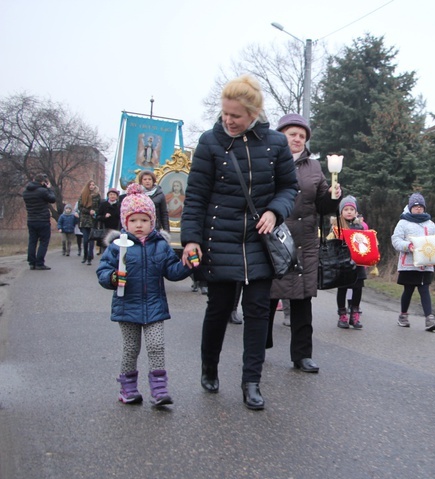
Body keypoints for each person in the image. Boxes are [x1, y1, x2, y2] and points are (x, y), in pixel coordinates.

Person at [180, 75, 298, 410]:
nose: (228, 120)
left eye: (236, 115)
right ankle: (210, 368)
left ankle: (251, 382)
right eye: (225, 113)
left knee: (259, 312)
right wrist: (191, 240)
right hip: (219, 240)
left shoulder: (276, 145)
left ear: (254, 113)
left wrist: (275, 212)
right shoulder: (209, 142)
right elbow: (196, 198)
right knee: (218, 309)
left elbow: (289, 187)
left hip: (261, 243)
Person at [97, 183, 192, 405]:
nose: (139, 225)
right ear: (125, 222)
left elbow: (172, 271)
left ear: (152, 221)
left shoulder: (160, 245)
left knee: (156, 347)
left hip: (154, 306)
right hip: (127, 306)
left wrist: (188, 266)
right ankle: (127, 389)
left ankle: (159, 391)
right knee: (131, 349)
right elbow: (102, 272)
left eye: (144, 220)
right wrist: (112, 277)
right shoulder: (117, 247)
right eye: (133, 220)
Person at [266, 113, 341, 374]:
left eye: (302, 135)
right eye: (292, 134)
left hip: (304, 241)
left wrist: (332, 197)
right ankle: (259, 348)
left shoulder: (314, 167)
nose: (297, 139)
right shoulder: (269, 159)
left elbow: (321, 205)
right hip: (273, 237)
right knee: (266, 295)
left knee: (301, 300)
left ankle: (302, 355)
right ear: (281, 136)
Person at [391, 193, 435, 332]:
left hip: (426, 263)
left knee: (424, 289)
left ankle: (429, 318)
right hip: (409, 264)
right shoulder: (403, 223)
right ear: (410, 207)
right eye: (415, 207)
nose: (418, 209)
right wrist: (408, 246)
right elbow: (396, 240)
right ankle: (403, 315)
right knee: (408, 289)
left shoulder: (430, 223)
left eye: (421, 207)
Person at [330, 196, 368, 330]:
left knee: (357, 289)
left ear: (356, 212)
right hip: (343, 264)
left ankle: (354, 314)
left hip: (358, 263)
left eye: (352, 209)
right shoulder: (336, 227)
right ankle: (342, 315)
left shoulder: (360, 227)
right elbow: (332, 245)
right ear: (341, 212)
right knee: (343, 289)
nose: (349, 212)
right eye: (346, 209)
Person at [23, 173, 56, 270]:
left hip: (31, 219)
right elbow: (52, 199)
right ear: (42, 182)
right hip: (42, 220)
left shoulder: (26, 192)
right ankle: (39, 263)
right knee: (43, 241)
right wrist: (49, 188)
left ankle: (31, 262)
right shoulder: (43, 191)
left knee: (32, 241)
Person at [77, 180, 100, 266]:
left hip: (93, 220)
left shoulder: (97, 196)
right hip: (84, 220)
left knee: (91, 240)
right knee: (85, 240)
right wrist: (88, 211)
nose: (92, 186)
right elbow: (80, 207)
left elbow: (99, 207)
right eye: (90, 185)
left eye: (93, 185)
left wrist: (95, 212)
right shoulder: (83, 195)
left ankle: (90, 257)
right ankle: (85, 255)